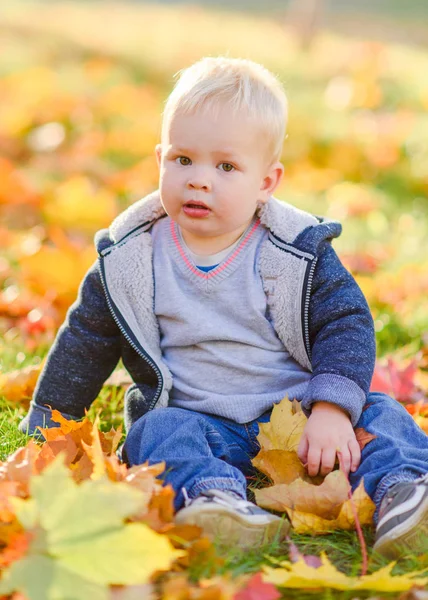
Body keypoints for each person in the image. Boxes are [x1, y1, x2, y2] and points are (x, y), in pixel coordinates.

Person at [19, 57, 428, 557]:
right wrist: (48, 422)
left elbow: (346, 324)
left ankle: (404, 491)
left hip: (301, 420)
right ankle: (215, 500)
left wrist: (331, 408)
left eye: (226, 166)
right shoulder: (132, 257)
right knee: (156, 432)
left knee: (381, 413)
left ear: (266, 182)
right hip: (204, 422)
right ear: (159, 159)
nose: (199, 180)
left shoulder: (294, 253)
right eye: (183, 159)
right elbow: (86, 341)